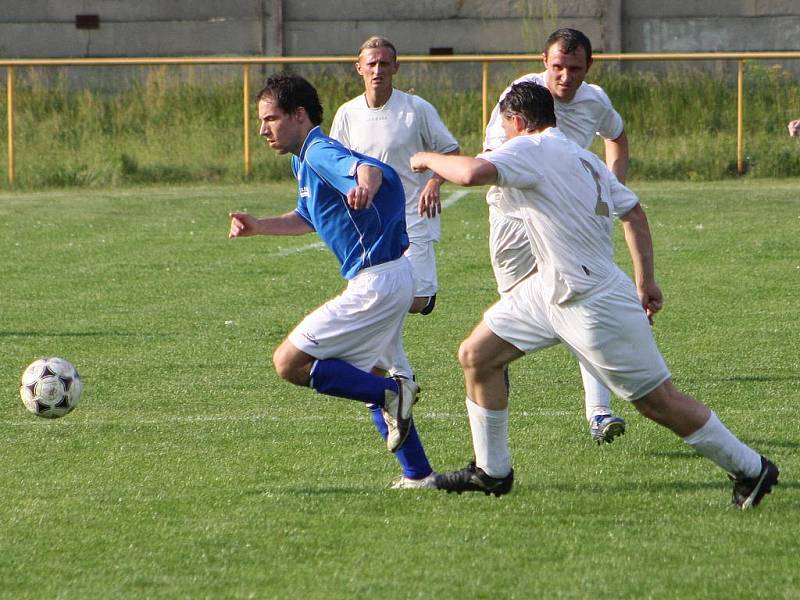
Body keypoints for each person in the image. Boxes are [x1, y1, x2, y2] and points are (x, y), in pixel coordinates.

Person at [409, 81, 779, 509]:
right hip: (548, 289)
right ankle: (492, 472)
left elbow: (472, 172)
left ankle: (751, 468)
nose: (503, 135)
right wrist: (647, 281)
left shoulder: (531, 148)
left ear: (518, 122)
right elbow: (633, 211)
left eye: (505, 125)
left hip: (591, 300)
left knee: (659, 403)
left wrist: (425, 158)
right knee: (477, 355)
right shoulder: (583, 157)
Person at [228, 73, 421, 469]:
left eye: (271, 119)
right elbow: (306, 217)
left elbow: (366, 170)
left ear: (299, 115)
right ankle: (418, 473)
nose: (263, 130)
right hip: (390, 276)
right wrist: (259, 225)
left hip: (377, 283)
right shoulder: (304, 159)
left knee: (289, 363)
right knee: (367, 374)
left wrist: (364, 184)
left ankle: (392, 393)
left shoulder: (318, 152)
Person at [484, 28, 629, 444]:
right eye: (557, 68)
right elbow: (495, 154)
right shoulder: (521, 96)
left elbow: (616, 136)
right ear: (544, 62)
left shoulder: (595, 100)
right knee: (516, 302)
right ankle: (495, 356)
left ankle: (600, 413)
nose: (565, 77)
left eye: (575, 68)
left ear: (589, 67)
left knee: (579, 304)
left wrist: (610, 187)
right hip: (514, 214)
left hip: (567, 218)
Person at [329, 36, 460, 488]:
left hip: (413, 218)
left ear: (397, 67)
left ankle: (396, 379)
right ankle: (398, 380)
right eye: (371, 63)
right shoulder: (347, 115)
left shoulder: (415, 109)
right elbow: (337, 166)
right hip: (373, 230)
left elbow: (449, 151)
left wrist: (434, 183)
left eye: (385, 63)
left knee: (418, 299)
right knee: (384, 309)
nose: (378, 69)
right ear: (357, 67)